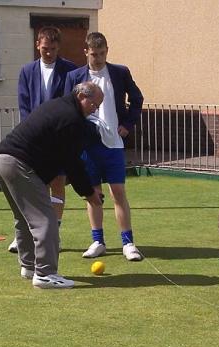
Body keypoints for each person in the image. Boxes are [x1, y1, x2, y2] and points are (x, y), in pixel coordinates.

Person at [0, 82, 104, 289]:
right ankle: (45, 273)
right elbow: (72, 163)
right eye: (93, 103)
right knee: (45, 219)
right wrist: (89, 193)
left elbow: (59, 156)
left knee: (23, 217)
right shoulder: (72, 119)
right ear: (81, 95)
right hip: (19, 163)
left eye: (98, 105)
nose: (95, 109)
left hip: (2, 160)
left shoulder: (60, 107)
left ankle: (29, 267)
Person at [64, 32, 144, 261]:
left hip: (114, 144)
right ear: (85, 52)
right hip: (87, 146)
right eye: (93, 54)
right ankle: (98, 241)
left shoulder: (120, 72)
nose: (97, 58)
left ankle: (128, 243)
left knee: (118, 192)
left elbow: (137, 99)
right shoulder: (74, 77)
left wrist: (128, 123)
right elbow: (68, 107)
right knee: (93, 194)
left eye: (101, 53)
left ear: (107, 50)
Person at [8, 26, 78, 253]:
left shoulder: (70, 71)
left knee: (57, 184)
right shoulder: (27, 71)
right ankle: (25, 236)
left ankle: (53, 234)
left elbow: (71, 105)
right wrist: (34, 132)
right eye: (45, 49)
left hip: (58, 140)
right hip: (34, 141)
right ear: (37, 45)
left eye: (53, 49)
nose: (49, 53)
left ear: (59, 48)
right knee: (31, 188)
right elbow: (24, 105)